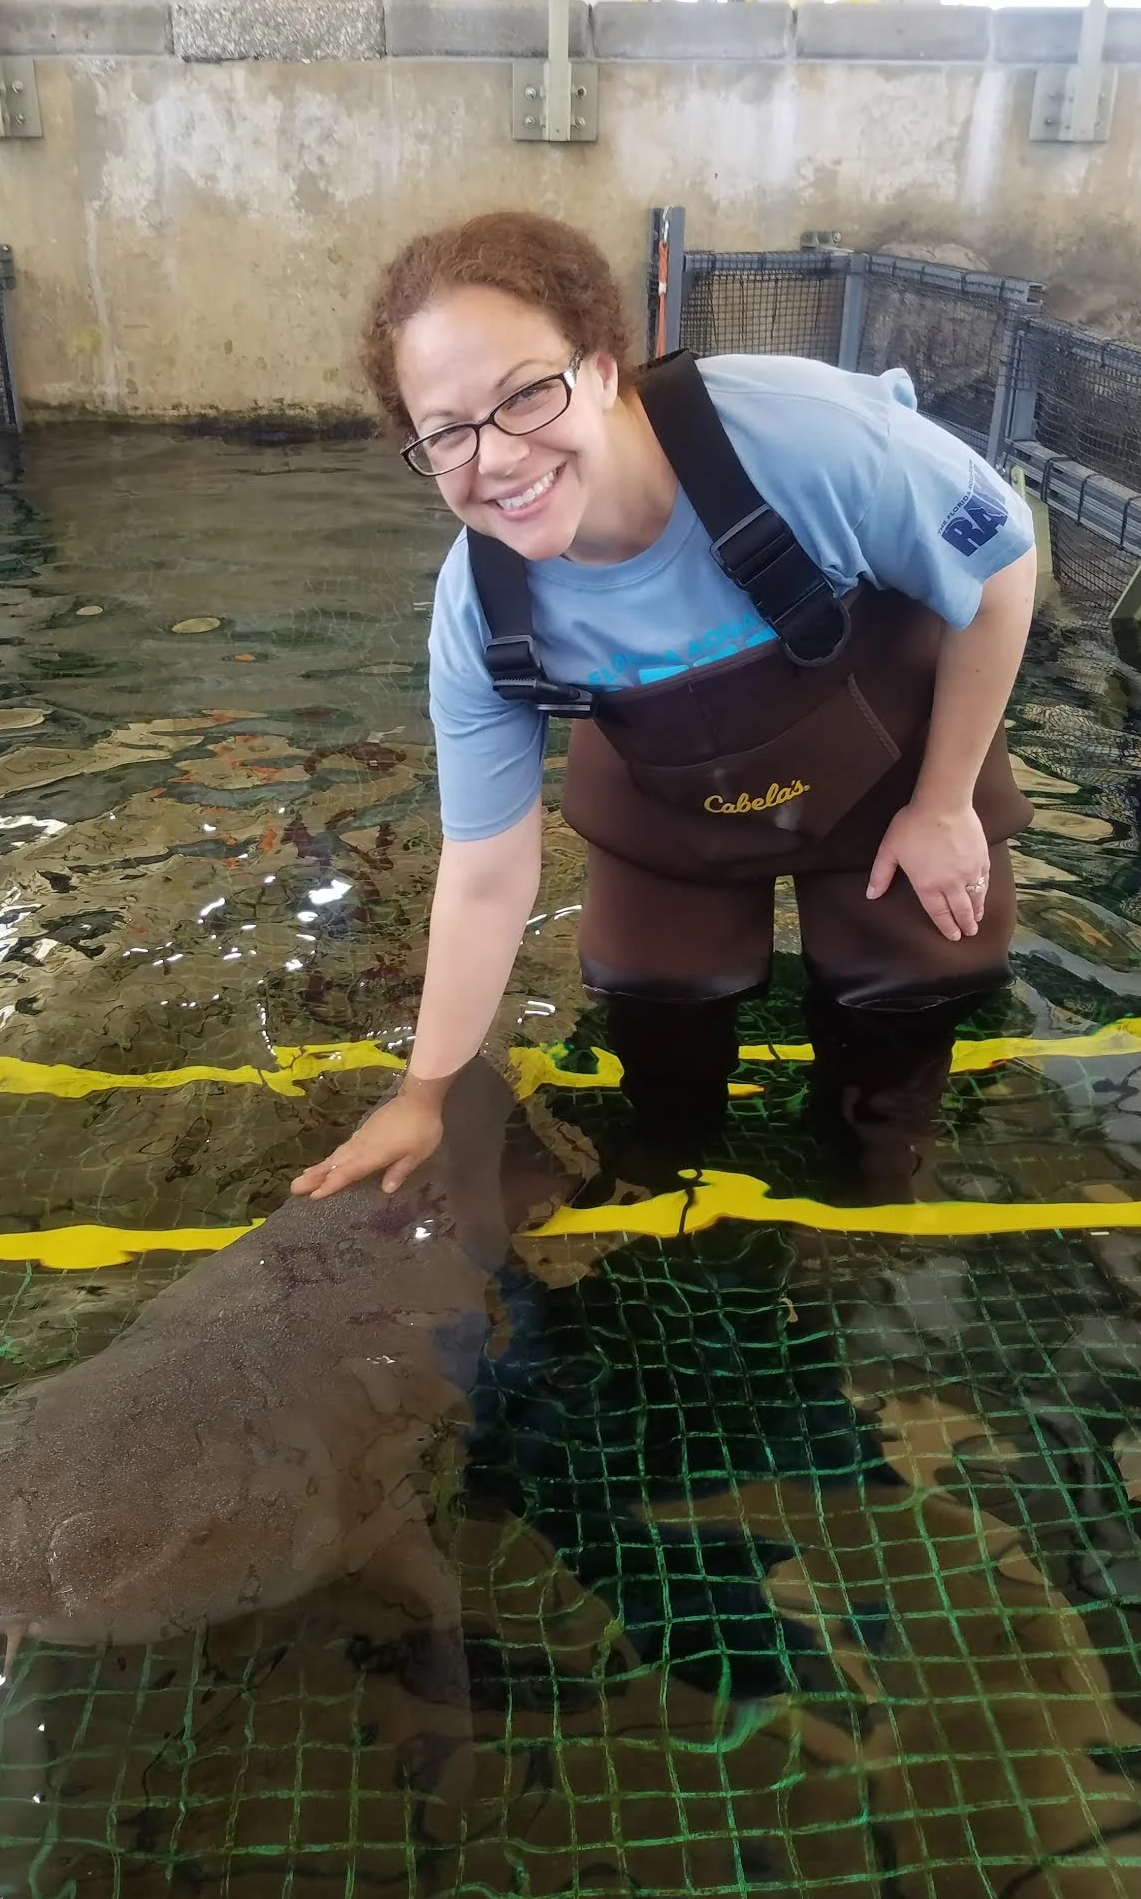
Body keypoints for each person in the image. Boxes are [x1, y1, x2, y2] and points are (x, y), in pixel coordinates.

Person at [293, 212, 1037, 1207]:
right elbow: (484, 873)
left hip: (894, 769)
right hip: (679, 813)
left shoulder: (803, 438)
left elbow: (1001, 564)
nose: (499, 456)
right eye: (449, 432)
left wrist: (944, 803)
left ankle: (872, 1182)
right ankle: (663, 1170)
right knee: (655, 997)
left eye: (526, 394)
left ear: (602, 368)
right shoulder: (483, 609)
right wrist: (423, 1095)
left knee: (904, 990)